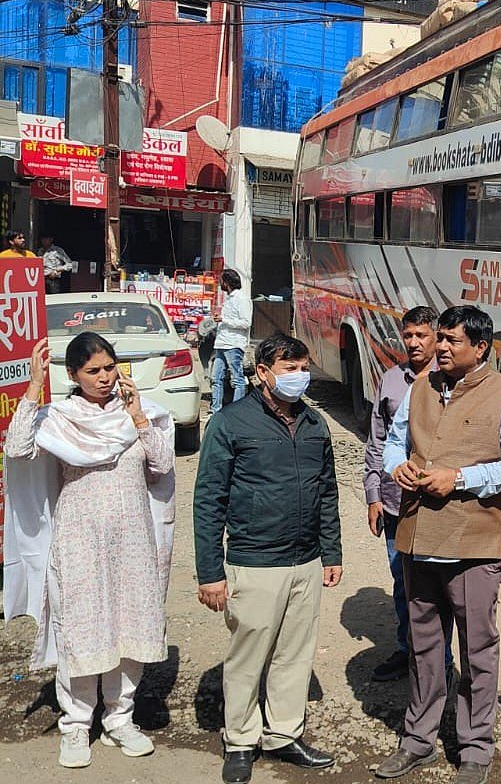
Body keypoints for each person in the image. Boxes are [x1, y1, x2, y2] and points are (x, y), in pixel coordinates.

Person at [375, 305, 501, 784]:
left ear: (480, 347)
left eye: (451, 341)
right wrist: (394, 468)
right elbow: (393, 441)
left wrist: (462, 478)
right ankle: (418, 741)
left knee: (478, 651)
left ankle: (474, 749)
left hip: (475, 543)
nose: (440, 347)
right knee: (424, 649)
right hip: (418, 536)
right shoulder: (419, 386)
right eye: (439, 338)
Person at [3, 332, 175, 769]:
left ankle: (121, 719)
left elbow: (162, 466)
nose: (103, 377)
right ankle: (76, 725)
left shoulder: (139, 413)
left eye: (109, 367)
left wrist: (137, 417)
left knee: (129, 623)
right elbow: (17, 448)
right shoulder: (59, 418)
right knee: (82, 627)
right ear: (73, 375)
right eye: (93, 370)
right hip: (79, 539)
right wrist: (32, 388)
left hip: (132, 540)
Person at [193, 333, 343, 784]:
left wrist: (331, 551)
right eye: (289, 368)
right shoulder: (230, 424)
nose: (299, 376)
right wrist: (210, 573)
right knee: (248, 655)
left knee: (294, 655)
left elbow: (328, 493)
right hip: (254, 561)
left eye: (303, 367)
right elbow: (208, 500)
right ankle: (240, 740)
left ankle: (283, 734)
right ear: (262, 373)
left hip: (305, 561)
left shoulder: (316, 425)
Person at [364, 305, 453, 682]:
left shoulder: (450, 380)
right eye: (409, 335)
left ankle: (442, 661)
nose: (414, 343)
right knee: (403, 581)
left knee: (440, 587)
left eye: (422, 336)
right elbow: (376, 440)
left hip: (437, 504)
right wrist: (373, 495)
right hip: (395, 502)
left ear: (437, 338)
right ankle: (409, 651)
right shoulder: (391, 379)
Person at [210, 269, 252, 414]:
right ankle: (216, 409)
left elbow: (246, 322)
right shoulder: (229, 299)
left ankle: (237, 411)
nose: (220, 283)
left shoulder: (242, 299)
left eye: (221, 281)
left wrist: (224, 320)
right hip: (221, 343)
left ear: (226, 282)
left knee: (237, 379)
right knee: (216, 378)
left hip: (233, 344)